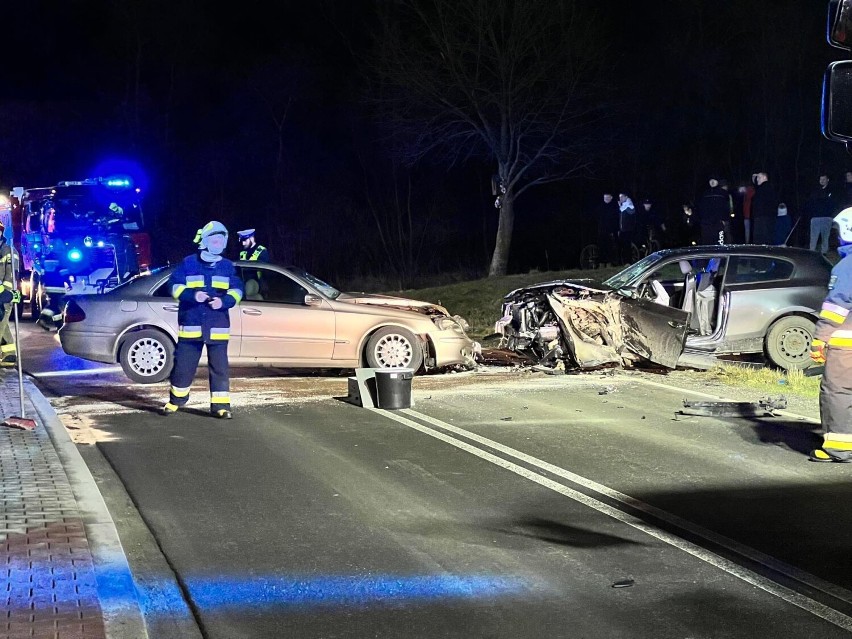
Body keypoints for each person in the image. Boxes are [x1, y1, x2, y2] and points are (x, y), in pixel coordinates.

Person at [161, 221, 244, 419]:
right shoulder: (188, 263)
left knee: (220, 370)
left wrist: (223, 302)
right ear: (205, 242)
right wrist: (192, 295)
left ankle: (221, 407)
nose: (218, 244)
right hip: (191, 326)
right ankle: (176, 401)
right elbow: (174, 286)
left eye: (221, 240)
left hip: (217, 326)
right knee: (183, 367)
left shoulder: (227, 266)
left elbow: (238, 289)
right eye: (215, 240)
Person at [809, 209, 852, 462]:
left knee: (838, 392)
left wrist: (820, 339)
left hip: (846, 347)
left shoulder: (847, 266)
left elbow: (837, 307)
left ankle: (838, 448)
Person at [0, 222, 19, 365]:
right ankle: (10, 355)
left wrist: (7, 294)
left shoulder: (9, 251)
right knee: (3, 325)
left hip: (5, 296)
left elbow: (12, 275)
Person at [803, 174, 835, 254]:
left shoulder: (831, 191)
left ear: (827, 180)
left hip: (827, 218)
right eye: (821, 179)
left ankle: (824, 253)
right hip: (816, 218)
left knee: (825, 237)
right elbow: (810, 203)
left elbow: (832, 204)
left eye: (824, 179)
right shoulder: (815, 191)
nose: (822, 181)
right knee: (813, 237)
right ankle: (811, 253)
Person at [696, 176, 731, 245]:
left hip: (719, 223)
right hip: (706, 224)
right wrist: (701, 220)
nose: (712, 182)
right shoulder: (705, 193)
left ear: (717, 181)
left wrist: (724, 220)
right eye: (710, 180)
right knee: (707, 244)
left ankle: (721, 255)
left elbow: (726, 207)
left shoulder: (723, 193)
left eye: (714, 180)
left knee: (720, 243)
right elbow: (700, 207)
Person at [750, 171, 778, 244]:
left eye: (759, 177)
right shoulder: (762, 188)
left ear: (765, 178)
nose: (757, 179)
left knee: (763, 238)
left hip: (764, 217)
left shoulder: (766, 187)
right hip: (761, 217)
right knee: (761, 237)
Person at [594, 191, 620, 266]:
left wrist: (616, 230)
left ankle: (609, 262)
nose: (606, 198)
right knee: (601, 247)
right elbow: (597, 218)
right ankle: (601, 262)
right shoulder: (600, 206)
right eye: (605, 197)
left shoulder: (614, 207)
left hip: (611, 231)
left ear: (611, 198)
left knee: (610, 247)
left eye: (608, 197)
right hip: (602, 230)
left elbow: (616, 219)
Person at [617, 192, 637, 263]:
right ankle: (621, 261)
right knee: (620, 246)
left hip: (628, 230)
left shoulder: (629, 206)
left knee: (627, 247)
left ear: (626, 197)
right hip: (622, 230)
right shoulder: (622, 206)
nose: (620, 198)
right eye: (619, 197)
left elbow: (632, 212)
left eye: (622, 197)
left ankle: (628, 262)